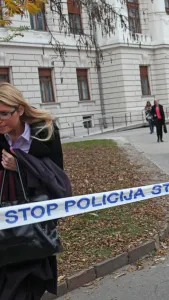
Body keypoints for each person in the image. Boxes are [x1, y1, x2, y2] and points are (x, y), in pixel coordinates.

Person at [0, 82, 70, 299]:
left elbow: (56, 178)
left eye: (4, 113)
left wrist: (20, 165)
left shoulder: (45, 133)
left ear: (19, 110)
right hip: (4, 222)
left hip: (36, 221)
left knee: (28, 283)